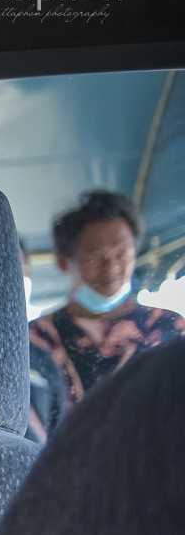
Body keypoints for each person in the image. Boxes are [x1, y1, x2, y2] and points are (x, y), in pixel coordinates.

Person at [27, 189, 183, 441]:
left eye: (123, 254)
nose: (112, 267)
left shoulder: (170, 328)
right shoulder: (34, 339)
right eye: (95, 256)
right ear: (62, 261)